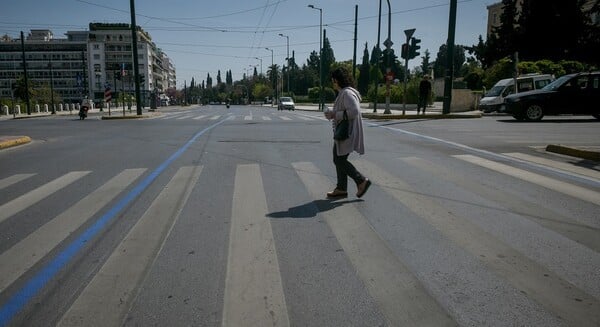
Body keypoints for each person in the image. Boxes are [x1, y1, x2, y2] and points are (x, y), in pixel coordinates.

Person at [324, 67, 371, 199]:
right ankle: (341, 188)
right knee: (339, 158)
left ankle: (361, 181)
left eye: (333, 81)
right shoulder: (343, 93)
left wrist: (335, 114)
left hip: (347, 132)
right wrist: (333, 115)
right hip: (344, 131)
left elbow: (354, 111)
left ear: (338, 80)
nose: (332, 83)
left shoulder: (347, 93)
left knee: (338, 159)